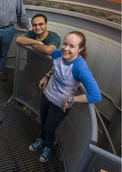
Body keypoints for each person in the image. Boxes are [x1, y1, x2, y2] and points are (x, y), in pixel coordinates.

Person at [28, 31, 101, 163]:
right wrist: (47, 76)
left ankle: (48, 147)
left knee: (50, 128)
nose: (66, 48)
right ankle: (42, 140)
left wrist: (71, 99)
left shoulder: (80, 67)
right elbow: (56, 67)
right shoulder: (57, 54)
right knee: (43, 121)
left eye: (71, 46)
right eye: (65, 44)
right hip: (47, 95)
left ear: (80, 49)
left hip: (59, 104)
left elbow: (96, 95)